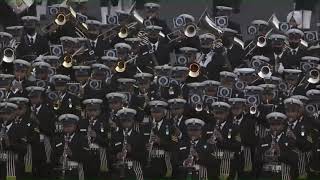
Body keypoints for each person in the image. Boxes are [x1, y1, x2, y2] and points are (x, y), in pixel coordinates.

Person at [255, 112, 299, 180]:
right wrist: (266, 156)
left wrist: (280, 154)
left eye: (278, 124)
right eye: (272, 124)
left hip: (284, 175)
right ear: (269, 126)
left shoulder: (290, 140)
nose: (275, 127)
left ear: (283, 126)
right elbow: (257, 159)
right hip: (266, 176)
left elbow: (295, 159)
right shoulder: (263, 140)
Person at [110, 108, 145, 180]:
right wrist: (117, 156)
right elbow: (110, 153)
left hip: (134, 169)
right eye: (123, 121)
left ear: (133, 121)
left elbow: (143, 156)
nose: (126, 123)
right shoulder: (115, 135)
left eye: (129, 121)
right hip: (118, 169)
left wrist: (131, 150)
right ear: (120, 122)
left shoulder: (139, 136)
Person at [52, 114, 89, 180]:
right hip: (61, 171)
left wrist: (72, 154)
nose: (68, 128)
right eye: (65, 126)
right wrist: (59, 159)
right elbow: (52, 156)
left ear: (75, 126)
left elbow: (86, 156)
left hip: (76, 172)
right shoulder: (57, 139)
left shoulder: (82, 139)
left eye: (70, 126)